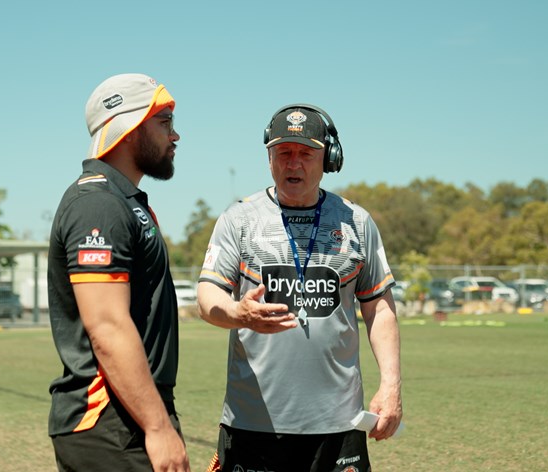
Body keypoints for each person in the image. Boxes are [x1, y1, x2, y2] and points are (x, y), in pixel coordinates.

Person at [197, 104, 403, 471]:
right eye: (283, 153)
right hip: (254, 424)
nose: (293, 163)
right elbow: (207, 295)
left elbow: (379, 307)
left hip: (340, 425)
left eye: (306, 153)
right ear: (269, 158)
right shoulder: (239, 218)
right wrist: (237, 313)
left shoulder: (356, 221)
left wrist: (391, 385)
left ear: (329, 159)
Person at [46, 73, 189, 472]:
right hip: (109, 421)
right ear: (127, 129)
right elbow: (107, 326)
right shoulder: (99, 204)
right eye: (164, 123)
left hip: (129, 416)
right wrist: (158, 427)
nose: (175, 136)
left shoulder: (123, 200)